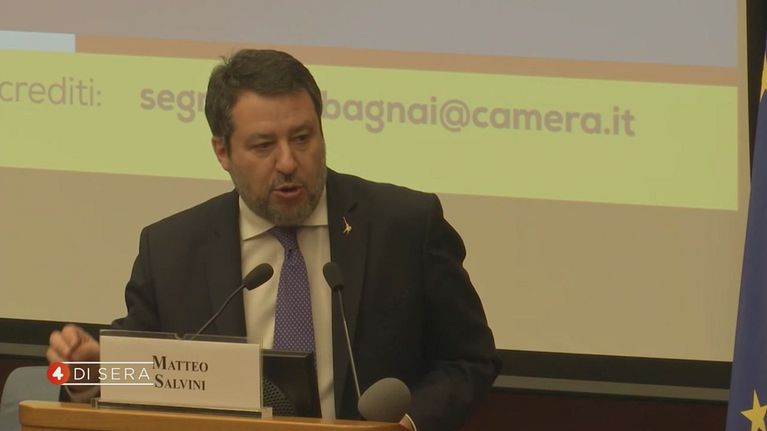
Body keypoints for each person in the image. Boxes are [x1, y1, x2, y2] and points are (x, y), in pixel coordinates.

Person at [47, 49, 500, 431]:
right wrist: (86, 373)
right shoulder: (171, 250)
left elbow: (469, 361)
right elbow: (138, 374)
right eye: (264, 146)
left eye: (302, 138)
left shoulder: (403, 226)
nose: (288, 162)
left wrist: (408, 424)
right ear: (222, 151)